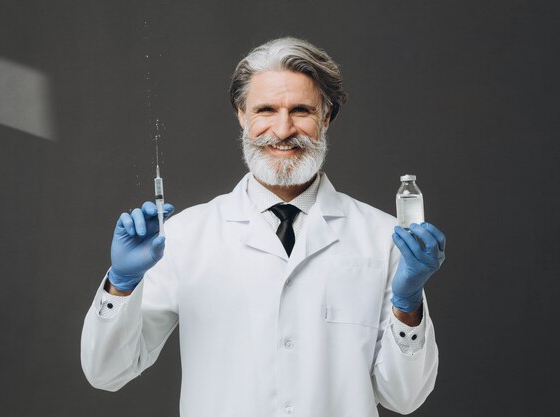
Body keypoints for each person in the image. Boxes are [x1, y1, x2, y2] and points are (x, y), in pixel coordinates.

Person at [81, 37, 446, 417]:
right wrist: (121, 284)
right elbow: (107, 372)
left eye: (301, 110)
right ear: (242, 114)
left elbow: (405, 398)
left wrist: (408, 306)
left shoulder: (381, 237)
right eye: (266, 109)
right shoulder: (186, 235)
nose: (283, 129)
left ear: (326, 116)